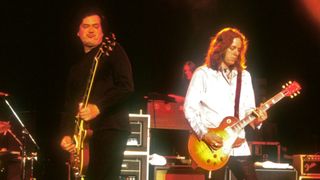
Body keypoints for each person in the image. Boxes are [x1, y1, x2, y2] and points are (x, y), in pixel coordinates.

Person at [59, 9, 134, 180]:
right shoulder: (75, 68)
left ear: (102, 32)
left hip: (111, 128)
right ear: (78, 32)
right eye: (85, 26)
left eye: (95, 26)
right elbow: (69, 104)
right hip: (85, 135)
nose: (91, 30)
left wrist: (98, 107)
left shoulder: (112, 50)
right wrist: (66, 133)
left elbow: (126, 87)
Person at [184, 27, 267, 180]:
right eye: (232, 48)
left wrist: (258, 119)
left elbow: (249, 109)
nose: (236, 52)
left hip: (238, 143)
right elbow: (189, 109)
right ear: (221, 48)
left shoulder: (245, 76)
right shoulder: (203, 74)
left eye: (239, 49)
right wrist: (205, 134)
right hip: (211, 146)